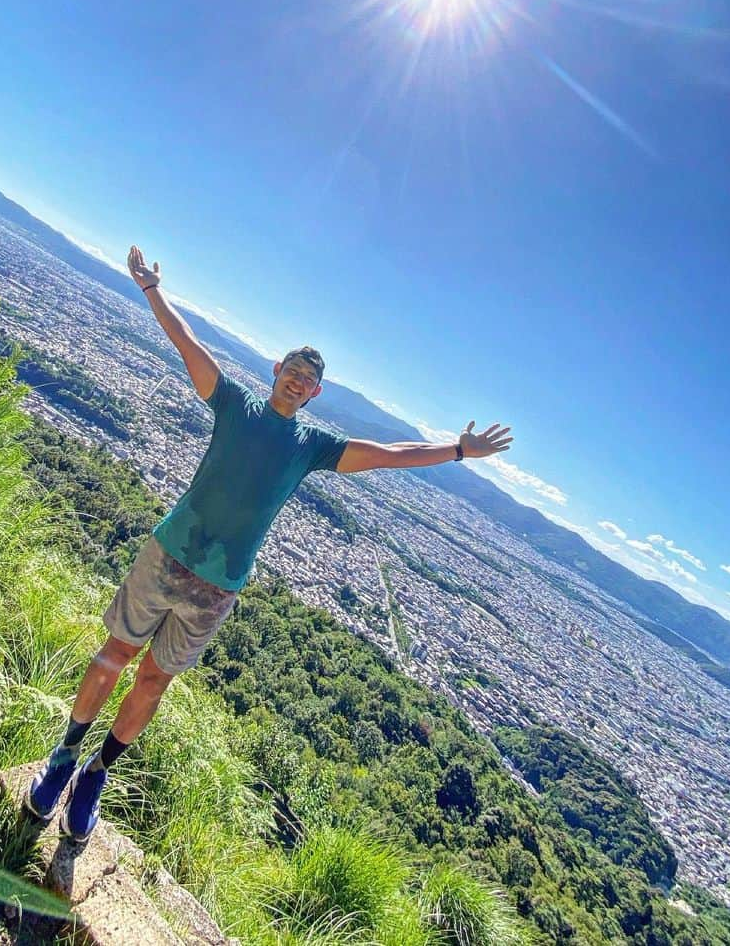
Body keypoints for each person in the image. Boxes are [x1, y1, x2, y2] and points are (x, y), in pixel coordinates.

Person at [25, 245, 513, 842]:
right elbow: (189, 346)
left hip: (218, 586)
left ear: (313, 394)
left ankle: (98, 773)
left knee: (153, 680)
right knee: (114, 656)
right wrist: (152, 289)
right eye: (293, 370)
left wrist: (458, 451)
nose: (298, 380)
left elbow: (390, 457)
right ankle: (64, 758)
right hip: (169, 553)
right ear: (275, 371)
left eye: (309, 380)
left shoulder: (312, 445)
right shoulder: (235, 404)